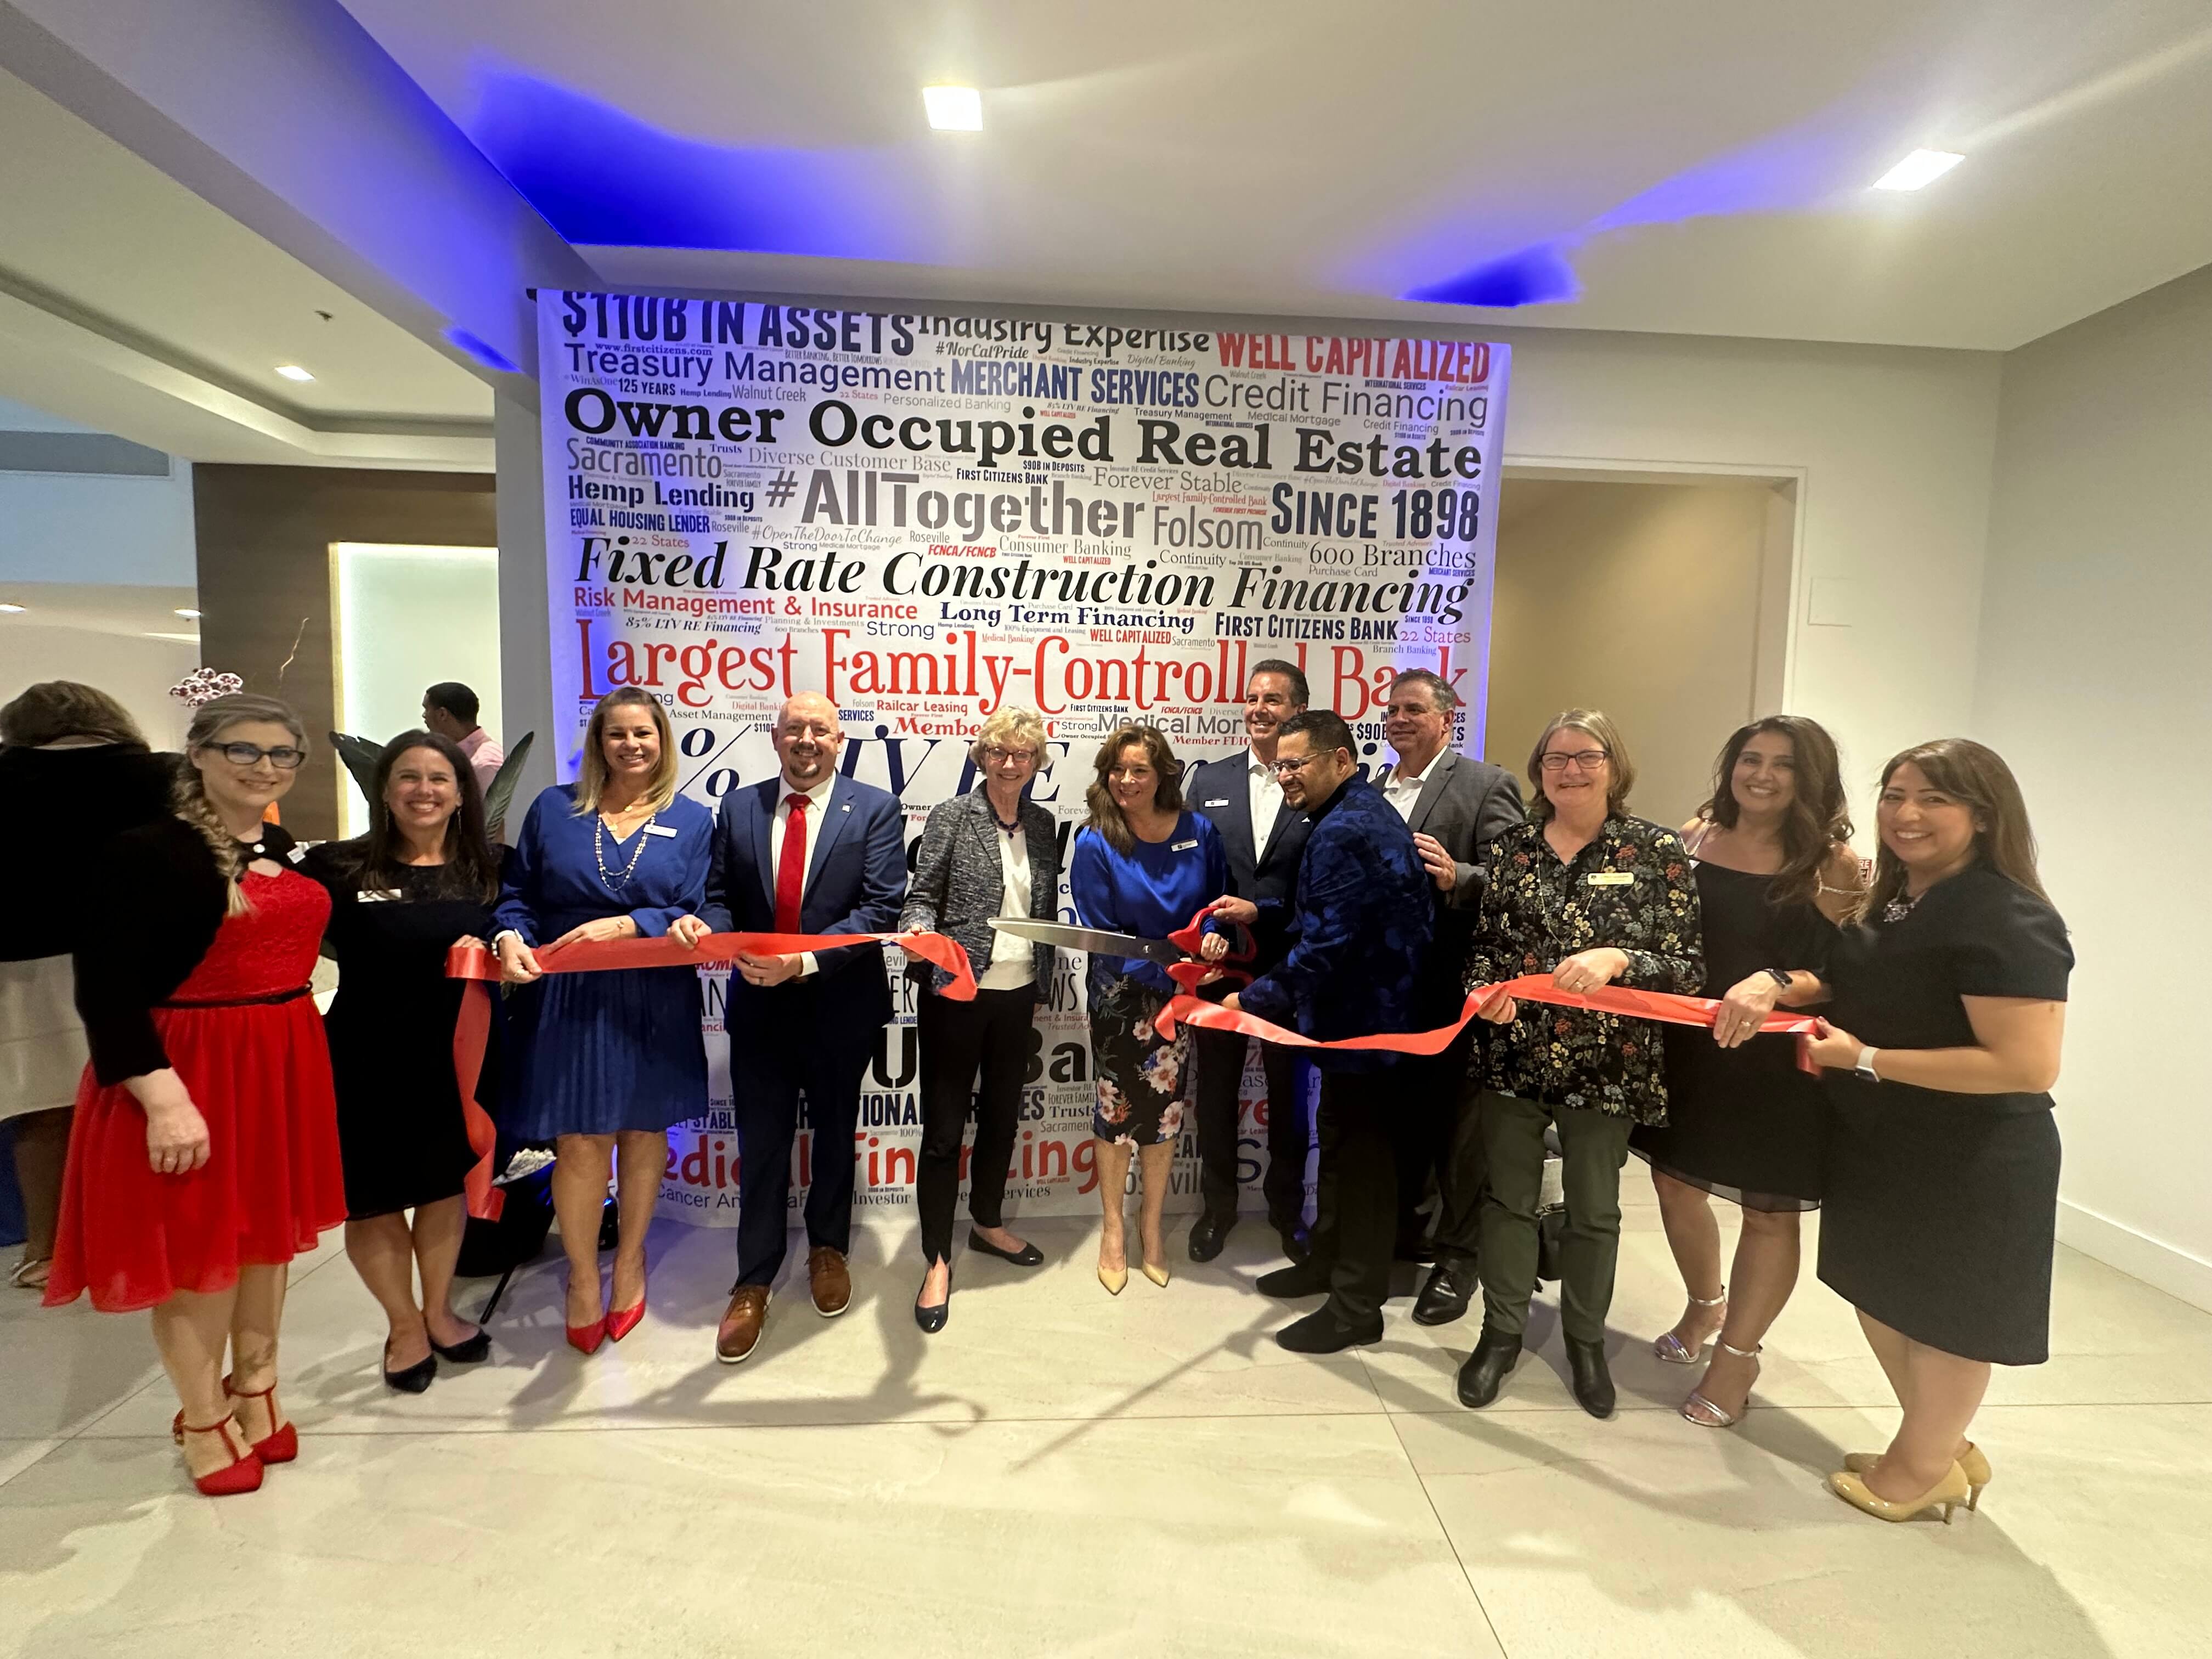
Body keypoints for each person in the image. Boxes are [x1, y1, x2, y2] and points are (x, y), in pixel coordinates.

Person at [44, 692, 347, 1497]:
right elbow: (105, 989)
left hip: (279, 1062)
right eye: (245, 750)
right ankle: (202, 1416)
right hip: (190, 1068)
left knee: (264, 1245)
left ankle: (257, 1387)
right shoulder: (144, 850)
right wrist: (161, 1096)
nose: (265, 767)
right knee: (198, 1255)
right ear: (201, 755)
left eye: (283, 754)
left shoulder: (282, 845)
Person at [1803, 740, 2070, 1523]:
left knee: (1947, 1317)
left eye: (1933, 799)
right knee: (1883, 1293)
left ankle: (1921, 1468)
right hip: (1887, 1139)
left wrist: (1867, 1058)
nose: (1905, 814)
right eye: (1894, 795)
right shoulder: (1899, 898)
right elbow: (1862, 976)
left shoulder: (2008, 915)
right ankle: (1939, 1443)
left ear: (1983, 817)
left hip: (1973, 1152)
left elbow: (2026, 1066)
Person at [1458, 710, 1702, 1418]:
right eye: (1554, 759)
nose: (1569, 770)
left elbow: (1688, 969)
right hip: (1514, 1056)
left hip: (1609, 1064)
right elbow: (1484, 954)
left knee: (1594, 1212)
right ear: (1538, 771)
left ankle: (1586, 1343)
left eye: (1585, 757)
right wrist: (1482, 994)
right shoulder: (1511, 851)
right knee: (1507, 1201)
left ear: (1613, 766)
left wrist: (1622, 958)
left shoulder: (1654, 851)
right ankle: (1500, 1334)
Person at [1631, 716, 1863, 1426]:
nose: (1761, 775)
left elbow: (1846, 975)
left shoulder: (1834, 863)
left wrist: (1773, 982)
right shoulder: (1694, 836)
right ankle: (1707, 1305)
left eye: (1783, 765)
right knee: (1674, 1183)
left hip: (1776, 1065)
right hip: (1692, 1050)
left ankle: (1740, 1355)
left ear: (1810, 778)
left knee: (1768, 1212)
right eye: (1750, 759)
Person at [493, 689, 713, 1356]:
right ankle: (585, 1277)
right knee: (582, 1142)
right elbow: (517, 897)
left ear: (662, 740)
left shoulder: (693, 818)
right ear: (598, 743)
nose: (631, 745)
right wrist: (509, 938)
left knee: (644, 1134)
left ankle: (635, 1260)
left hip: (652, 993)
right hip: (569, 997)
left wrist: (631, 923)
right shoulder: (554, 809)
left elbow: (700, 906)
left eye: (643, 733)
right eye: (617, 734)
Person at [1207, 709, 1434, 1352]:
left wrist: (1247, 1001)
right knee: (1337, 1151)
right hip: (1353, 1029)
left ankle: (1357, 1306)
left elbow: (1327, 945)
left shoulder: (1344, 828)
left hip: (1369, 1030)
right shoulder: (1349, 816)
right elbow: (1337, 908)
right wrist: (1265, 908)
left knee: (1361, 1167)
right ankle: (1328, 1264)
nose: (1283, 777)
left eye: (1295, 764)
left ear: (1340, 760)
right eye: (1278, 765)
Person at [701, 692, 906, 1364]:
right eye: (795, 729)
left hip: (838, 1003)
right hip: (759, 1003)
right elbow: (717, 897)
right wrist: (733, 946)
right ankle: (753, 1280)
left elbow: (880, 908)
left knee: (835, 1138)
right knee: (761, 1145)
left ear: (839, 740)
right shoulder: (738, 807)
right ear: (776, 738)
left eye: (820, 728)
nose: (807, 739)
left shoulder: (873, 808)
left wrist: (803, 961)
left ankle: (827, 1249)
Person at [302, 730, 505, 1392]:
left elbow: (518, 934)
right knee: (375, 1201)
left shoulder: (487, 869)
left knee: (444, 1190)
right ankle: (404, 1325)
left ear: (459, 794)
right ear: (385, 791)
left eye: (439, 779)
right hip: (364, 1055)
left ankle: (440, 1309)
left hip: (455, 1059)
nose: (425, 790)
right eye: (409, 778)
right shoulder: (338, 867)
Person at [0, 682, 177, 1290]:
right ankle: (146, 1239)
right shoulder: (164, 776)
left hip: (31, 965)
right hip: (152, 960)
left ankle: (46, 1250)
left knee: (43, 1114)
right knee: (148, 1102)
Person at [1374, 669, 1526, 1327]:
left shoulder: (1485, 784)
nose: (1400, 719)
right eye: (1392, 710)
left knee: (1461, 1137)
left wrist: (1457, 875)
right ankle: (1406, 1236)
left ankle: (1459, 1260)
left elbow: (1522, 882)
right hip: (1385, 993)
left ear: (1446, 720)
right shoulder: (1374, 788)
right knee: (1401, 1123)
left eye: (1413, 709)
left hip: (1456, 991)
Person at [899, 708, 1059, 1333]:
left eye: (1023, 755)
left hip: (1019, 995)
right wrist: (917, 928)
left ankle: (989, 1224)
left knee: (1001, 1118)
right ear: (982, 757)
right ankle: (937, 1258)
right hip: (956, 994)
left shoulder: (1044, 825)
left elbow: (1040, 906)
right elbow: (922, 893)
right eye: (1000, 753)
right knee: (943, 1132)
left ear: (1036, 763)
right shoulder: (950, 816)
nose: (1012, 764)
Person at [1069, 725, 1226, 1295]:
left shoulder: (1199, 831)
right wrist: (1172, 970)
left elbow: (1214, 907)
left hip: (1181, 996)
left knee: (1164, 1117)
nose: (1127, 780)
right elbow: (1103, 935)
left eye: (1139, 770)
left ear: (1163, 774)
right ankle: (1113, 1229)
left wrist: (1210, 941)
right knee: (1115, 1117)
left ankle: (1151, 1227)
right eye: (1117, 770)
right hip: (1122, 995)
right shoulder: (1096, 839)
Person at [1183, 660, 1316, 1265]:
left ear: (1299, 711)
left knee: (1290, 1093)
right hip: (1220, 968)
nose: (1260, 708)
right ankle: (1218, 1208)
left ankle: (1288, 1211)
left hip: (1293, 966)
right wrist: (1208, 929)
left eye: (1275, 699)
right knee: (1215, 1089)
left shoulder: (1317, 785)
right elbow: (1195, 877)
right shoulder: (1208, 779)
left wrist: (1263, 912)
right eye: (1253, 697)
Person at [422, 682, 505, 798]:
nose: (424, 716)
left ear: (442, 715)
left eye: (426, 709)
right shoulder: (464, 759)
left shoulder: (485, 766)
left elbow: (491, 815)